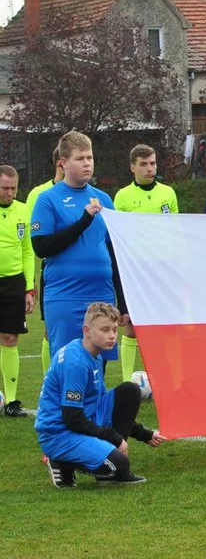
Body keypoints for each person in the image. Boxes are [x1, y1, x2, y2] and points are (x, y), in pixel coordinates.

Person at [36, 302, 166, 487]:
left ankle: (105, 459)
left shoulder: (94, 355)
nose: (112, 335)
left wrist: (143, 434)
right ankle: (60, 461)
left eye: (114, 329)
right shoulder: (76, 363)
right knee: (119, 467)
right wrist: (115, 438)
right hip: (60, 434)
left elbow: (103, 404)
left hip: (80, 421)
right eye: (105, 330)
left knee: (129, 391)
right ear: (87, 330)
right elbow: (72, 419)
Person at [31, 132, 125, 369]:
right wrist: (84, 220)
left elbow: (115, 255)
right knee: (67, 365)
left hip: (101, 295)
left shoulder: (104, 199)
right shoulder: (47, 199)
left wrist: (123, 301)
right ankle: (67, 408)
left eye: (90, 157)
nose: (87, 163)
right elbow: (41, 247)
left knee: (97, 369)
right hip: (65, 295)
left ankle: (93, 408)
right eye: (80, 158)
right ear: (63, 162)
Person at [113, 145, 179, 382]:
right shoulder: (122, 197)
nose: (149, 168)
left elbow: (175, 231)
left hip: (163, 269)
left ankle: (168, 378)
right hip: (135, 270)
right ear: (133, 167)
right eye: (143, 164)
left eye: (152, 163)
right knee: (131, 325)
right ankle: (126, 381)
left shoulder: (168, 193)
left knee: (165, 325)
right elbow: (118, 237)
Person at [0, 166, 35, 417]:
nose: (10, 193)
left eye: (13, 188)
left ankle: (12, 401)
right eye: (5, 188)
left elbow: (27, 251)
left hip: (13, 283)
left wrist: (29, 289)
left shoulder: (23, 210)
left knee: (10, 339)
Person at [27, 147, 64, 372]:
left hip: (80, 275)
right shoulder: (39, 195)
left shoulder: (88, 194)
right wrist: (31, 281)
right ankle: (48, 382)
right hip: (51, 273)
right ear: (61, 163)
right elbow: (33, 243)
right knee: (50, 331)